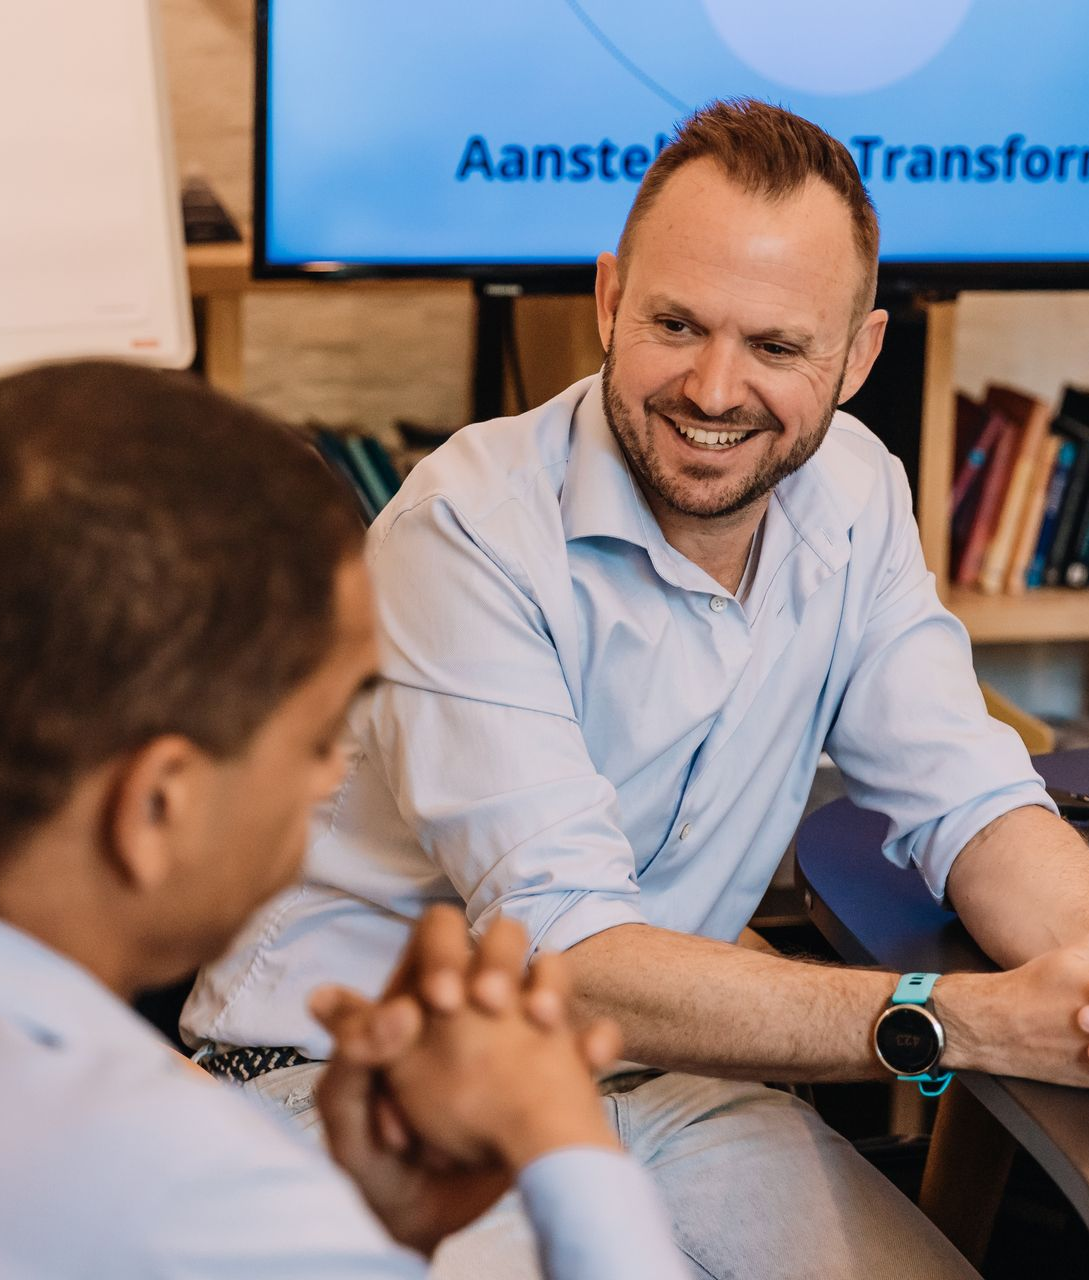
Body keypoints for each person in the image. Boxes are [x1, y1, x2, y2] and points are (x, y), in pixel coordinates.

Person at [185, 100, 1089, 1277]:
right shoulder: (463, 533)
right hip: (359, 1086)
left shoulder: (856, 489)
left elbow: (972, 799)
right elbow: (566, 952)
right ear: (607, 299)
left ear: (857, 357)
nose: (714, 387)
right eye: (675, 323)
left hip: (670, 1079)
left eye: (776, 346)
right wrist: (966, 1018)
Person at [0, 360, 688, 1279]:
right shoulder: (177, 1178)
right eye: (324, 739)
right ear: (161, 802)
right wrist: (557, 1131)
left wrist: (382, 1227)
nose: (335, 773)